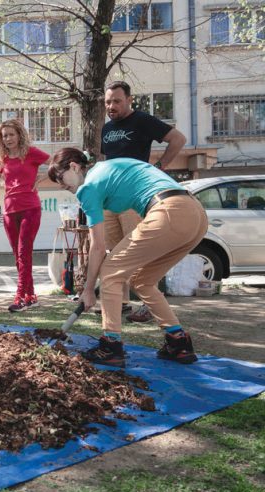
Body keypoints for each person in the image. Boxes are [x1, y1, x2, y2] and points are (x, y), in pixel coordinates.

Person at [47, 148, 207, 367]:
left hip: (168, 211)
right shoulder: (107, 168)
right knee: (142, 281)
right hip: (195, 214)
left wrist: (87, 290)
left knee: (111, 273)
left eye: (60, 178)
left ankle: (110, 346)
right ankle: (178, 342)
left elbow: (98, 246)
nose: (62, 185)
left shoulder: (88, 187)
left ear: (74, 167)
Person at [102, 81, 187, 322]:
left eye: (117, 101)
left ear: (129, 100)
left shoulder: (142, 121)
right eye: (108, 102)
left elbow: (178, 139)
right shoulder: (106, 128)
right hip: (111, 198)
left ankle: (148, 306)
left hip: (135, 198)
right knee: (114, 252)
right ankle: (121, 303)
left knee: (140, 251)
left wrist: (159, 167)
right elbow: (107, 159)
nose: (111, 106)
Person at [0, 119, 50, 313]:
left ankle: (20, 298)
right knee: (18, 256)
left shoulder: (31, 153)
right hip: (9, 210)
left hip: (30, 209)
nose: (7, 139)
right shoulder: (4, 158)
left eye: (11, 134)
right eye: (4, 136)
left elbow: (56, 163)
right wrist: (8, 187)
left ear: (19, 134)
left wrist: (44, 177)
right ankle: (31, 295)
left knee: (24, 253)